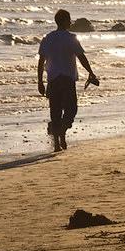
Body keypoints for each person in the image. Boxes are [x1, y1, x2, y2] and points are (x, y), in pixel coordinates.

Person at [38, 9, 98, 152]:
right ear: (64, 21)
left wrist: (40, 82)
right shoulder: (71, 38)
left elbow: (41, 62)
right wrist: (91, 72)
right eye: (69, 19)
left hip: (52, 79)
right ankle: (60, 133)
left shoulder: (47, 38)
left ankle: (58, 141)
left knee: (56, 111)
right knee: (71, 110)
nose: (70, 22)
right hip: (67, 79)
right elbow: (81, 57)